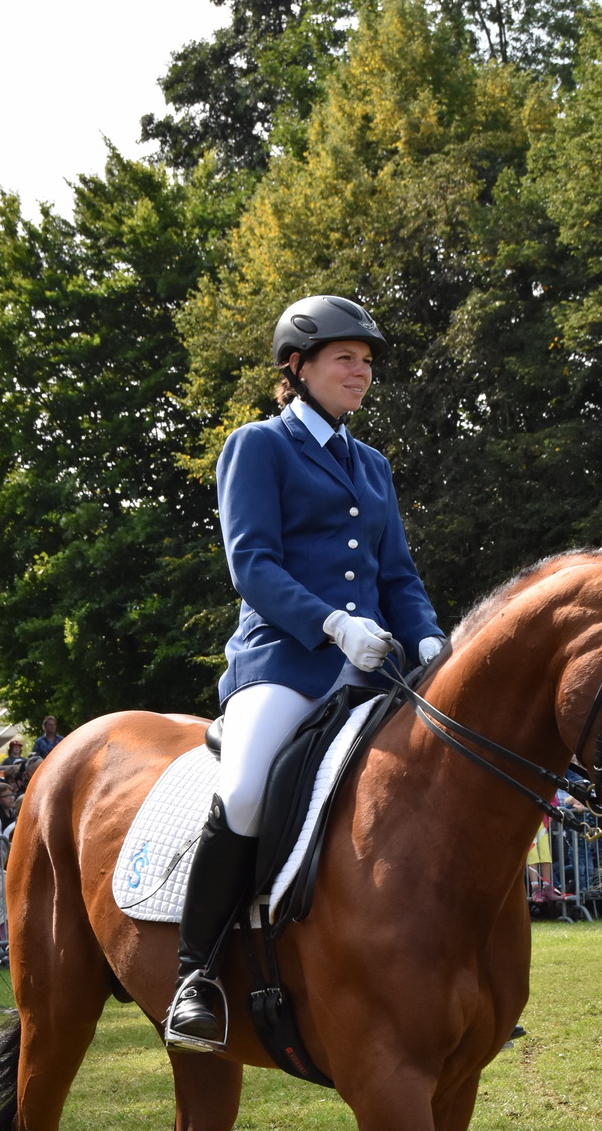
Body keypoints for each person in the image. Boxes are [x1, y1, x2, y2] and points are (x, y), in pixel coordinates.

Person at [164, 293, 445, 1047]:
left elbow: (398, 574)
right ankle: (194, 976)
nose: (361, 372)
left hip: (375, 669)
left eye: (366, 361)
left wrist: (426, 640)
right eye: (345, 358)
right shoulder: (258, 445)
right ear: (298, 366)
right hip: (285, 661)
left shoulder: (373, 464)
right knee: (248, 789)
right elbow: (250, 563)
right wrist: (329, 623)